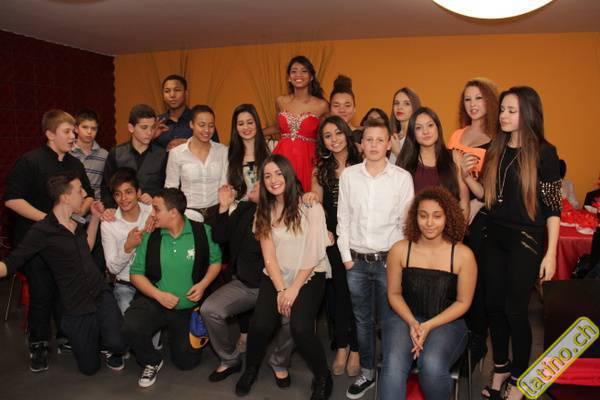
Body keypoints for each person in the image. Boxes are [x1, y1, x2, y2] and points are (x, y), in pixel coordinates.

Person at [0, 171, 127, 375]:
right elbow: (10, 263)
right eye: (79, 190)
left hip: (100, 293)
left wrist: (95, 219)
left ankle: (106, 336)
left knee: (118, 343)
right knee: (89, 368)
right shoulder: (42, 231)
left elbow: (86, 246)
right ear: (65, 198)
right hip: (77, 305)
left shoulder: (76, 222)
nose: (84, 193)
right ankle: (83, 331)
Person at [479, 86, 561, 400]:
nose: (503, 115)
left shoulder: (544, 151)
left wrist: (550, 253)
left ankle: (519, 377)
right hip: (494, 235)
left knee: (515, 311)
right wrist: (465, 176)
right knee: (493, 307)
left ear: (528, 113)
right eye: (502, 109)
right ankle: (500, 367)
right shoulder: (495, 147)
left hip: (526, 240)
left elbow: (553, 207)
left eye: (511, 110)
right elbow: (489, 197)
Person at [236, 155, 333, 399]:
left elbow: (313, 253)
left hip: (310, 273)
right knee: (260, 325)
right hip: (277, 274)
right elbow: (269, 256)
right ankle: (251, 369)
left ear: (288, 174)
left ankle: (323, 376)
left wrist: (294, 289)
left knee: (300, 328)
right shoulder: (264, 211)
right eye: (267, 176)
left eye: (278, 173)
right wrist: (280, 289)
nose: (273, 180)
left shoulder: (310, 206)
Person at [4, 109, 94, 372]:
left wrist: (81, 209)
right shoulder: (29, 161)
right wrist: (50, 221)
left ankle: (66, 336)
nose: (73, 136)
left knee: (66, 290)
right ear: (50, 134)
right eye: (67, 132)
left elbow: (88, 195)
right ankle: (38, 344)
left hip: (66, 243)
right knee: (42, 293)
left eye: (74, 131)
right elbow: (12, 200)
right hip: (37, 241)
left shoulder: (74, 163)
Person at [337, 118, 414, 399]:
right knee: (363, 321)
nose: (374, 145)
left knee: (392, 321)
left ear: (389, 144)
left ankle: (392, 374)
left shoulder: (401, 178)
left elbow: (406, 225)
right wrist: (347, 258)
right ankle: (368, 372)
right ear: (361, 144)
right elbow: (343, 219)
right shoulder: (349, 176)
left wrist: (398, 262)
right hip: (356, 263)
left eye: (380, 140)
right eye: (368, 139)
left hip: (388, 262)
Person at [381, 186, 476, 400]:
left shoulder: (463, 255)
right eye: (423, 216)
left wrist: (428, 325)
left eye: (437, 216)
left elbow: (463, 302)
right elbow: (394, 294)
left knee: (431, 365)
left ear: (448, 217)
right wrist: (413, 322)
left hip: (447, 321)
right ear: (415, 218)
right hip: (404, 317)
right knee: (393, 364)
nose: (429, 223)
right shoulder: (399, 249)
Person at [122, 188, 222, 388]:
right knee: (130, 326)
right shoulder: (150, 235)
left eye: (157, 209)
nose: (152, 214)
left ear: (173, 212)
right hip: (155, 302)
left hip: (187, 309)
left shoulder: (203, 232)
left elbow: (216, 262)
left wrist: (203, 285)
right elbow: (135, 274)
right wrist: (158, 295)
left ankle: (177, 336)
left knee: (187, 363)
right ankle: (151, 360)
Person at [200, 183, 294, 383]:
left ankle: (279, 362)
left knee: (293, 319)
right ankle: (230, 359)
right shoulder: (244, 209)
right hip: (245, 285)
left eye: (260, 183)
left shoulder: (285, 213)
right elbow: (219, 236)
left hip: (279, 286)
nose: (254, 185)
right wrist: (223, 207)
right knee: (209, 310)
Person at [304, 116, 362, 377]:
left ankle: (357, 347)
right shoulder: (321, 170)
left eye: (338, 133)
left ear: (346, 133)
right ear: (322, 142)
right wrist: (311, 199)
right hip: (333, 238)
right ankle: (342, 345)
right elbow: (318, 203)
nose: (334, 139)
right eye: (328, 136)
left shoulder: (362, 162)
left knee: (357, 294)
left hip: (360, 237)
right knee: (339, 293)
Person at [448, 77, 499, 367]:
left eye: (478, 98)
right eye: (468, 99)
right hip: (454, 216)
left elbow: (495, 190)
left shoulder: (498, 137)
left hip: (482, 219)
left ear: (490, 101)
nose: (473, 104)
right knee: (454, 280)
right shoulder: (457, 135)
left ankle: (477, 342)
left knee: (477, 282)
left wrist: (473, 209)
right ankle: (457, 338)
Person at [269, 55, 329, 192]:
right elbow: (278, 127)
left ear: (311, 77)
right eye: (294, 71)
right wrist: (256, 133)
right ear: (289, 77)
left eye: (304, 71)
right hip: (283, 155)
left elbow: (330, 131)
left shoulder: (322, 105)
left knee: (305, 197)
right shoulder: (280, 101)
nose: (298, 75)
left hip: (307, 158)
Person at [398, 107, 470, 220]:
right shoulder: (405, 163)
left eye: (430, 125)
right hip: (415, 228)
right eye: (418, 128)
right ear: (413, 133)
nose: (425, 131)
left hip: (451, 227)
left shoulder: (455, 157)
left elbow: (464, 203)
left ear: (438, 128)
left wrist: (457, 230)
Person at [100, 167, 153, 313]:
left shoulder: (151, 212)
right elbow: (112, 268)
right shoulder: (109, 224)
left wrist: (154, 208)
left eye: (128, 192)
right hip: (125, 284)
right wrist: (128, 247)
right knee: (129, 323)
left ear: (138, 193)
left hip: (153, 281)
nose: (123, 199)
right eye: (118, 194)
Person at [165, 104, 228, 226]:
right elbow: (171, 188)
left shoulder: (223, 151)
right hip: (188, 214)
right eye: (202, 125)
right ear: (191, 124)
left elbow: (224, 184)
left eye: (211, 125)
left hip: (217, 212)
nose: (207, 130)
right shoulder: (176, 153)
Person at [101, 104, 167, 209]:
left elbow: (167, 187)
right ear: (131, 128)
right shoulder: (116, 153)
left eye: (153, 127)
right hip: (121, 212)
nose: (149, 132)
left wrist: (154, 197)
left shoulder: (162, 154)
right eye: (144, 127)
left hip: (152, 212)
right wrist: (110, 209)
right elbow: (106, 187)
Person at [153, 74, 219, 150]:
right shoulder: (158, 122)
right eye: (167, 91)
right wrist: (152, 136)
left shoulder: (199, 119)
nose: (172, 95)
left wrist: (190, 144)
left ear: (186, 93)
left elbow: (216, 148)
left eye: (177, 90)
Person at [227, 103, 270, 201]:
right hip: (240, 207)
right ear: (235, 127)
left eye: (250, 122)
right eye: (241, 124)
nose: (246, 127)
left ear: (257, 123)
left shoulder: (270, 147)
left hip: (267, 205)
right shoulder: (228, 153)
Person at [70, 108, 108, 200]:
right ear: (76, 129)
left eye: (93, 128)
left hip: (96, 204)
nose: (89, 132)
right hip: (72, 204)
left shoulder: (104, 155)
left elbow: (107, 185)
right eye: (85, 127)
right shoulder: (68, 152)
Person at [389, 87, 421, 164]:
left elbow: (418, 169)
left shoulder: (419, 137)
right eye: (396, 103)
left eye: (406, 104)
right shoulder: (392, 136)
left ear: (415, 107)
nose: (399, 107)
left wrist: (397, 152)